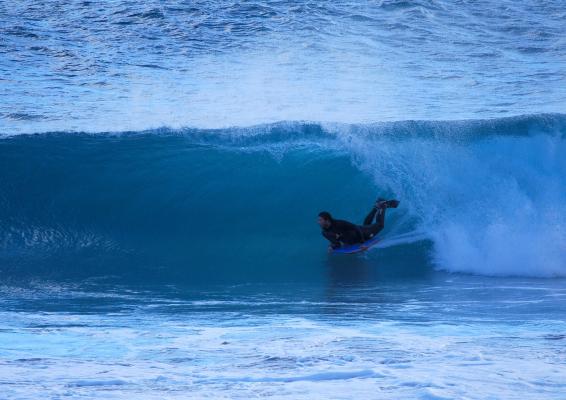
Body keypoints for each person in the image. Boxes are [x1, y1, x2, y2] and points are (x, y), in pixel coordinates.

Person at [318, 198, 399, 252]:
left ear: (327, 220)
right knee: (366, 225)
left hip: (363, 233)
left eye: (320, 220)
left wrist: (362, 243)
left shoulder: (339, 223)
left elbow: (355, 227)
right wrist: (332, 247)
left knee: (380, 225)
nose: (318, 222)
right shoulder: (325, 233)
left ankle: (383, 206)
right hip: (357, 235)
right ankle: (376, 207)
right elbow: (337, 243)